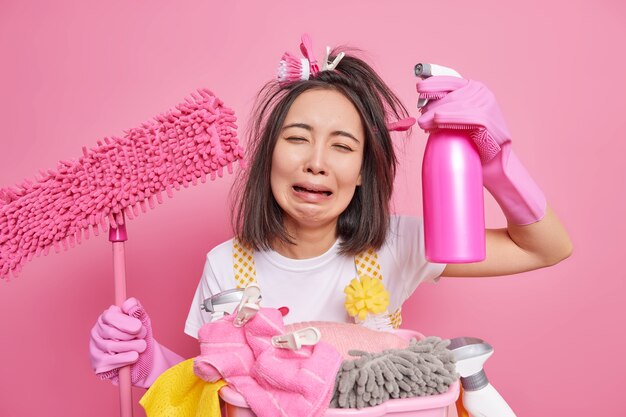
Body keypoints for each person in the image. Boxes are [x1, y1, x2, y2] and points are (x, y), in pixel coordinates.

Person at [89, 35, 573, 388]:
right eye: (297, 138)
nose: (317, 163)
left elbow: (546, 249)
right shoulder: (225, 267)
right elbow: (216, 392)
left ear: (363, 172)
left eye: (342, 146)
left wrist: (495, 160)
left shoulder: (396, 246)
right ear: (268, 156)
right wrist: (148, 362)